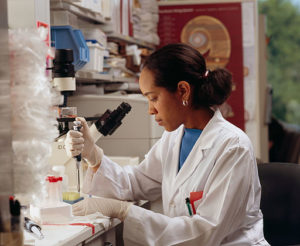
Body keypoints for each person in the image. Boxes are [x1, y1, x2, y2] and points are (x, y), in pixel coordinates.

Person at [65, 43, 269, 245]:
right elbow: (136, 183)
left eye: (153, 98)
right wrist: (94, 156)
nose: (150, 110)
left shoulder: (233, 147)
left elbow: (206, 232)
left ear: (183, 91)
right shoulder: (174, 137)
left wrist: (125, 211)